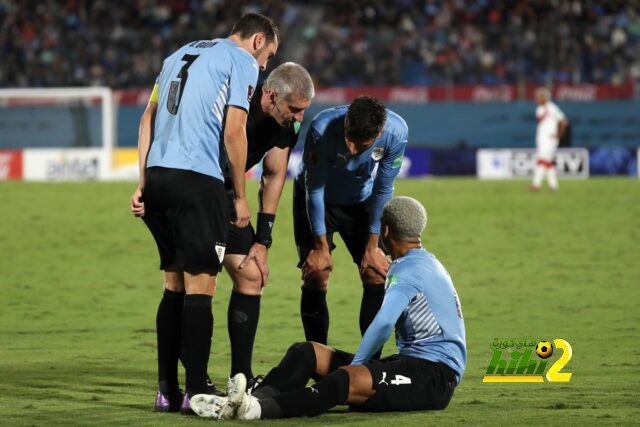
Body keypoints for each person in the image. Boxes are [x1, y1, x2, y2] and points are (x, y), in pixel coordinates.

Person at [188, 196, 467, 420]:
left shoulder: (406, 272)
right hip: (411, 363)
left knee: (346, 378)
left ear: (384, 230)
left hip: (435, 378)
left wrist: (360, 364)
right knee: (306, 352)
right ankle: (249, 399)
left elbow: (383, 324)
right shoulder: (425, 262)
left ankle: (254, 411)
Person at [128, 13, 279, 414]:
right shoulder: (241, 61)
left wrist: (143, 181)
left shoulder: (180, 52)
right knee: (201, 287)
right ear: (258, 40)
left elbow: (147, 119)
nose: (264, 68)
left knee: (173, 283)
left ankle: (166, 391)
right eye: (268, 58)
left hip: (159, 176)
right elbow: (234, 131)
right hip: (199, 181)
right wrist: (241, 197)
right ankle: (196, 390)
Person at [220, 62, 314, 388]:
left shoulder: (288, 125)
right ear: (271, 96)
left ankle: (240, 378)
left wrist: (262, 241)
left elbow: (274, 174)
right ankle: (182, 385)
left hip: (231, 197)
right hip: (197, 192)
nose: (300, 117)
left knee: (252, 273)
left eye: (304, 110)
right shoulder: (236, 105)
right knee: (190, 281)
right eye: (295, 109)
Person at [294, 95, 408, 352]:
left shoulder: (396, 132)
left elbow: (383, 188)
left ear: (379, 134)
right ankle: (316, 361)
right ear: (346, 121)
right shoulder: (322, 128)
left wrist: (372, 246)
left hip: (361, 201)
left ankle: (369, 365)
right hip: (315, 198)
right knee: (316, 274)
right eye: (349, 140)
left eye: (362, 145)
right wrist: (320, 246)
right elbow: (314, 190)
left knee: (375, 273)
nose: (353, 150)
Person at [530, 87, 569, 192]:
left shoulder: (552, 108)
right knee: (548, 162)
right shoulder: (539, 109)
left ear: (545, 97)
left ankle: (536, 184)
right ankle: (553, 186)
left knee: (542, 160)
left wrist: (559, 135)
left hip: (549, 139)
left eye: (539, 96)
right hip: (542, 138)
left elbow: (563, 121)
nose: (536, 98)